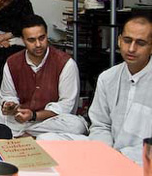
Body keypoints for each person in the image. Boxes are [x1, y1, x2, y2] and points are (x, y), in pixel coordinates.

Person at [39, 15, 152, 165]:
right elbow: (100, 125)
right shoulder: (108, 78)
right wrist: (106, 153)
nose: (131, 48)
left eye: (140, 43)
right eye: (127, 40)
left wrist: (121, 156)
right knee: (46, 140)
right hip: (109, 150)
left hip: (140, 158)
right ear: (119, 40)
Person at [0, 15, 88, 138]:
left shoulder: (65, 63)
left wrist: (34, 115)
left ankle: (22, 136)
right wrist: (10, 106)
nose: (38, 44)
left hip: (49, 121)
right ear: (23, 40)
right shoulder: (13, 62)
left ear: (46, 35)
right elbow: (8, 95)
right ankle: (28, 136)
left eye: (42, 38)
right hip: (20, 120)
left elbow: (66, 106)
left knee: (76, 125)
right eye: (31, 40)